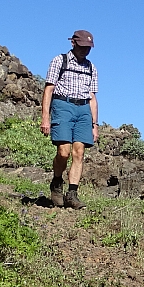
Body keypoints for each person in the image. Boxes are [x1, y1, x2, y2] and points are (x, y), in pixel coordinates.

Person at [41, 30, 99, 209]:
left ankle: (72, 194)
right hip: (63, 106)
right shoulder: (59, 61)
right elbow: (49, 89)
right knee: (64, 152)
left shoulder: (91, 68)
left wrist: (94, 125)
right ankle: (57, 183)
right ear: (73, 43)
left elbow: (93, 98)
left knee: (79, 151)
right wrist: (45, 118)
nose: (85, 51)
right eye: (82, 47)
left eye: (88, 48)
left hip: (83, 110)